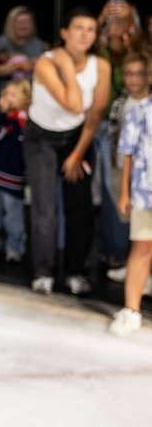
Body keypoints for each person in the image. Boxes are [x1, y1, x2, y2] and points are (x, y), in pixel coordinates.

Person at [24, 9, 111, 296]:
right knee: (45, 207)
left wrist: (77, 154)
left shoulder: (101, 66)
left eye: (91, 29)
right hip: (41, 139)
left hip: (77, 138)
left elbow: (94, 115)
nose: (85, 34)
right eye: (79, 28)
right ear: (64, 33)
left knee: (80, 207)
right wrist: (65, 65)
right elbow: (74, 103)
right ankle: (43, 272)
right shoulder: (46, 63)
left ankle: (75, 271)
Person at [112, 55, 152, 337]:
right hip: (145, 190)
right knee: (141, 247)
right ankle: (131, 309)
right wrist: (124, 191)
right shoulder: (141, 110)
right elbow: (128, 151)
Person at [106, 53, 151, 281]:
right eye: (129, 74)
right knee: (131, 224)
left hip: (143, 174)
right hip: (128, 170)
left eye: (139, 74)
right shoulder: (122, 104)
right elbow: (120, 143)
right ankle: (131, 265)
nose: (133, 80)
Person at [0, 79, 31, 263]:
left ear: (25, 99)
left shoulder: (25, 120)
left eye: (12, 95)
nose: (7, 98)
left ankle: (15, 247)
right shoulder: (0, 118)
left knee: (14, 214)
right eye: (5, 94)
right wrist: (2, 116)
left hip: (14, 175)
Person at [0, 6, 46, 97]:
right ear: (11, 24)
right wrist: (17, 65)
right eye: (20, 22)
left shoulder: (40, 45)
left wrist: (34, 65)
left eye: (27, 22)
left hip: (33, 94)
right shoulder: (1, 42)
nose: (24, 25)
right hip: (5, 94)